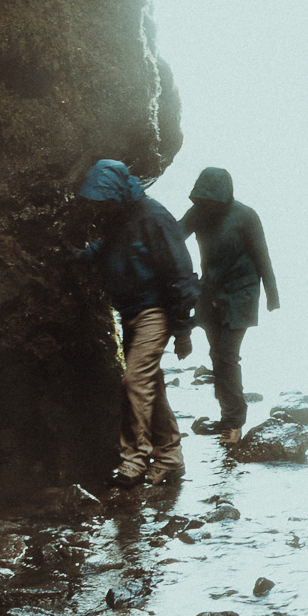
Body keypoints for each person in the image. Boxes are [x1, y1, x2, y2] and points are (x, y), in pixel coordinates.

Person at [75, 159, 199, 488]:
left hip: (153, 312)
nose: (102, 205)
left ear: (118, 190)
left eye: (105, 198)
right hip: (128, 311)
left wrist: (183, 331)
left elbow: (180, 272)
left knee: (133, 381)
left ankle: (134, 460)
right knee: (149, 387)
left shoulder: (155, 217)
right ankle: (170, 458)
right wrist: (82, 256)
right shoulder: (117, 217)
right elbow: (111, 250)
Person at [181, 166, 279, 436]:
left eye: (212, 197)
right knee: (216, 355)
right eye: (203, 197)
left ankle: (234, 422)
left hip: (241, 295)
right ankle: (227, 416)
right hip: (210, 292)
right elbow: (174, 236)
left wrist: (272, 296)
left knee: (226, 356)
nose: (207, 202)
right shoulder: (198, 214)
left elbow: (262, 256)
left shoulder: (246, 216)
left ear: (224, 194)